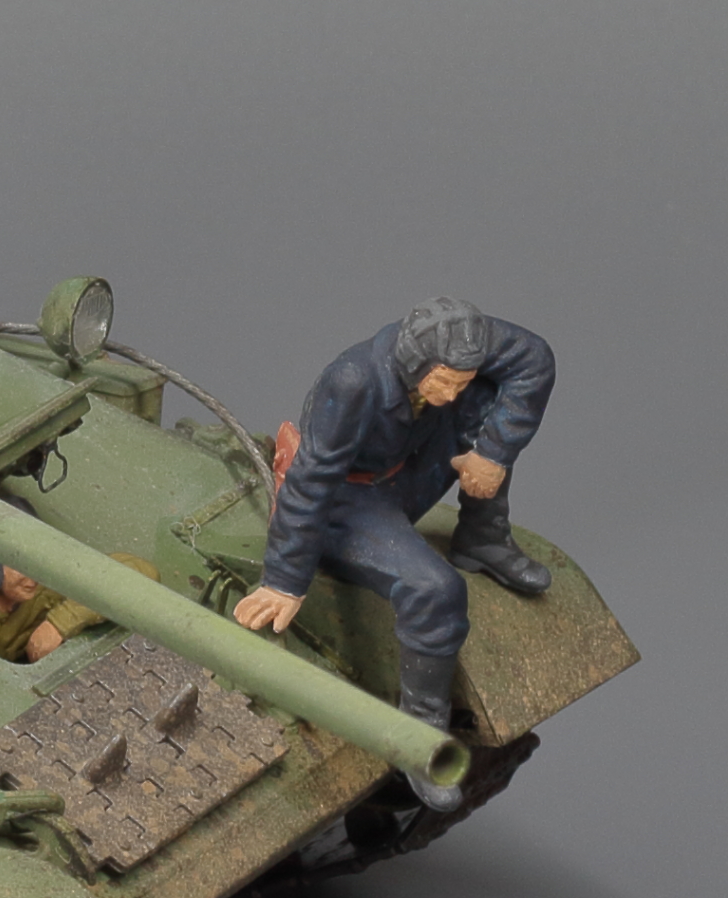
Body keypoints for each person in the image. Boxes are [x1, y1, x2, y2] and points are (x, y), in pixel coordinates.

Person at [231, 296, 557, 737]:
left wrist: (493, 453)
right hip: (347, 499)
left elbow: (534, 359)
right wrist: (284, 581)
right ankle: (420, 730)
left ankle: (482, 536)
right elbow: (311, 482)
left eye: (459, 381)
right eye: (445, 382)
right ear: (417, 363)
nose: (452, 395)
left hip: (406, 469)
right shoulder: (353, 382)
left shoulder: (462, 346)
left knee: (487, 399)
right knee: (437, 590)